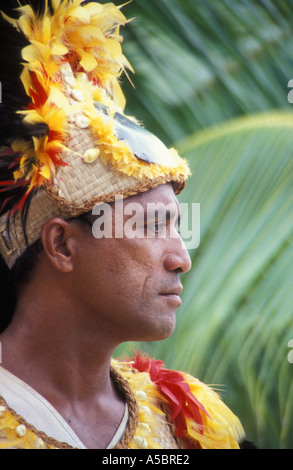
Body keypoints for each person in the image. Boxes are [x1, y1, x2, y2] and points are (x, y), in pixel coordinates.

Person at [0, 0, 252, 449]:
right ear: (61, 245)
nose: (182, 259)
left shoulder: (187, 423)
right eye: (153, 225)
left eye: (177, 226)